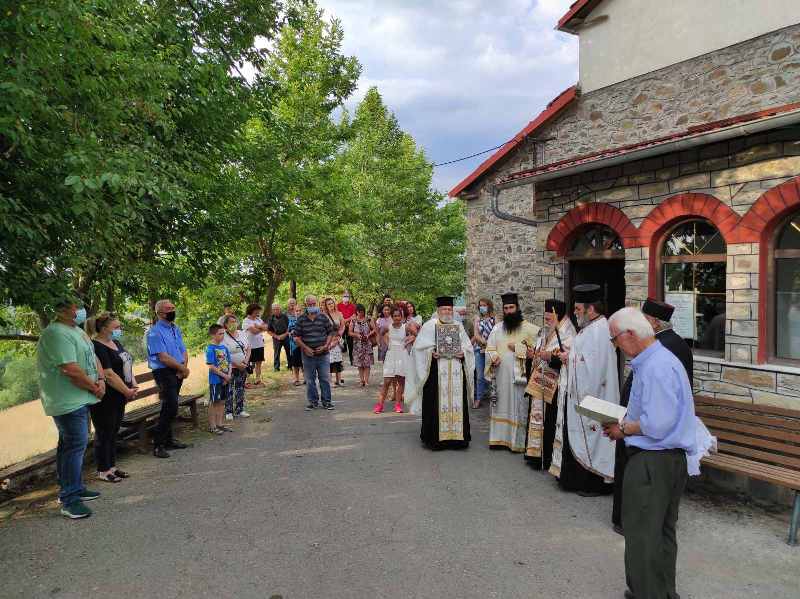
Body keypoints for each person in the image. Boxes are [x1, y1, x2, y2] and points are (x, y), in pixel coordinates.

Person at [603, 307, 697, 599]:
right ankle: (663, 591)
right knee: (661, 534)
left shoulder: (656, 366)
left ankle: (648, 593)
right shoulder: (658, 360)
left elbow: (656, 425)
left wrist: (623, 429)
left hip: (652, 462)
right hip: (667, 460)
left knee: (643, 535)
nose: (615, 345)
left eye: (614, 339)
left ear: (630, 334)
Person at [612, 298, 694, 534]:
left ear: (655, 323)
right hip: (645, 432)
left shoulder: (663, 351)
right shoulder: (665, 345)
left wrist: (626, 428)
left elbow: (658, 421)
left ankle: (628, 521)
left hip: (653, 445)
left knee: (648, 525)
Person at [550, 284, 619, 495]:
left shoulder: (600, 330)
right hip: (587, 395)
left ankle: (594, 483)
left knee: (595, 438)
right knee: (586, 437)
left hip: (596, 396)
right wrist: (571, 356)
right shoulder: (591, 328)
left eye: (579, 309)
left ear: (591, 309)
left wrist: (568, 358)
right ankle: (578, 479)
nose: (575, 313)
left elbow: (593, 370)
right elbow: (586, 359)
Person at [36, 298, 103, 518]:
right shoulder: (56, 333)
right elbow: (70, 369)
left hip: (81, 397)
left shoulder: (77, 330)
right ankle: (69, 499)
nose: (81, 311)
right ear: (62, 310)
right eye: (76, 307)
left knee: (70, 446)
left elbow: (91, 356)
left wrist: (100, 379)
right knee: (75, 445)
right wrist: (94, 388)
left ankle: (75, 487)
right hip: (66, 400)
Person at [406, 296, 474, 450]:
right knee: (434, 403)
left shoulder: (458, 326)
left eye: (449, 309)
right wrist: (431, 353)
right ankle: (434, 439)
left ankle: (458, 440)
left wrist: (463, 353)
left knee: (457, 403)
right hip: (435, 371)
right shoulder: (430, 326)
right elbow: (418, 349)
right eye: (444, 309)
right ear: (438, 310)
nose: (447, 312)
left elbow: (468, 347)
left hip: (456, 368)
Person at [85, 312, 138, 483]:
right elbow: (108, 373)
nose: (119, 330)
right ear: (104, 327)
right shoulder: (97, 346)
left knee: (114, 431)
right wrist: (126, 391)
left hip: (120, 395)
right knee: (104, 432)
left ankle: (112, 466)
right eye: (116, 327)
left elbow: (126, 364)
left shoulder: (115, 342)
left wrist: (133, 384)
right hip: (106, 397)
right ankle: (103, 469)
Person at [524, 299, 576, 470]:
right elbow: (540, 352)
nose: (546, 322)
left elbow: (567, 359)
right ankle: (535, 454)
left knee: (550, 420)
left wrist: (551, 357)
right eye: (545, 318)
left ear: (557, 316)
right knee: (537, 417)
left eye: (548, 319)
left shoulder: (568, 333)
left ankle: (546, 457)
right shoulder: (546, 332)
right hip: (540, 382)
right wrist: (533, 355)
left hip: (555, 386)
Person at [484, 293, 540, 452]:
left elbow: (537, 352)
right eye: (506, 308)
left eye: (511, 307)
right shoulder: (497, 328)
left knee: (517, 408)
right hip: (501, 376)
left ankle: (518, 442)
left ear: (517, 308)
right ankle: (499, 439)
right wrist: (493, 357)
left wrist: (519, 349)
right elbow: (489, 348)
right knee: (501, 406)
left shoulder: (530, 329)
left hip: (519, 379)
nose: (508, 311)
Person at [147, 298, 190, 459]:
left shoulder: (175, 328)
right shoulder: (154, 332)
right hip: (164, 372)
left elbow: (183, 349)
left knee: (172, 406)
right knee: (170, 406)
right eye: (168, 308)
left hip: (178, 370)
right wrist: (182, 368)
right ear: (159, 313)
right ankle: (158, 445)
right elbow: (163, 358)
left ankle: (169, 440)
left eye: (173, 307)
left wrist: (183, 367)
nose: (172, 310)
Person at [294, 295, 336, 411]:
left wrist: (325, 346)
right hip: (308, 355)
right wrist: (306, 348)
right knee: (310, 379)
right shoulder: (301, 319)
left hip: (323, 354)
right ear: (306, 305)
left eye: (314, 304)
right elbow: (296, 337)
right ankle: (313, 402)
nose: (312, 306)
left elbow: (331, 332)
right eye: (310, 304)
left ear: (317, 304)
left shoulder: (323, 317)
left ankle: (327, 402)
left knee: (324, 378)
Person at [375, 306, 416, 413]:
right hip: (391, 355)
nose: (397, 318)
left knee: (400, 381)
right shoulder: (387, 327)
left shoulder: (406, 327)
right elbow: (380, 334)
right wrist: (383, 343)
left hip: (402, 355)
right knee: (387, 381)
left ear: (401, 316)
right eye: (394, 316)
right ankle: (380, 405)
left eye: (398, 316)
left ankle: (397, 405)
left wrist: (407, 342)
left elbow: (416, 335)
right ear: (392, 317)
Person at [221, 315, 251, 420]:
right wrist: (237, 364)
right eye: (231, 322)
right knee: (228, 389)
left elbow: (248, 348)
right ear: (225, 324)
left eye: (235, 321)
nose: (233, 324)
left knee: (240, 388)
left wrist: (245, 362)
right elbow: (223, 353)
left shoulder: (242, 333)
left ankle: (240, 409)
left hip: (243, 366)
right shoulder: (223, 336)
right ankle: (228, 411)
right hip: (229, 368)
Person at [206, 324, 233, 435]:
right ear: (213, 335)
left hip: (226, 379)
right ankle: (212, 426)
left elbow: (229, 363)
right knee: (214, 402)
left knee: (222, 401)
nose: (222, 336)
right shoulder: (210, 348)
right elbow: (211, 366)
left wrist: (229, 375)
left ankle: (220, 424)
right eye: (220, 333)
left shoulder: (224, 348)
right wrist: (224, 375)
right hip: (216, 380)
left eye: (223, 333)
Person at [471, 298, 495, 409]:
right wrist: (484, 343)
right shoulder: (477, 318)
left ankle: (493, 397)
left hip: (491, 350)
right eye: (480, 305)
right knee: (480, 375)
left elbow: (497, 333)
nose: (482, 307)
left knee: (492, 374)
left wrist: (489, 345)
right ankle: (478, 398)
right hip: (478, 349)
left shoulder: (495, 318)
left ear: (489, 306)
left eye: (484, 305)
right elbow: (476, 334)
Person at [349, 303, 376, 387]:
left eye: (362, 311)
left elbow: (374, 329)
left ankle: (367, 380)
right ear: (356, 312)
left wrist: (368, 335)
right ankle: (361, 380)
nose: (361, 313)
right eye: (359, 312)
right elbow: (349, 332)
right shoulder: (353, 320)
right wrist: (357, 335)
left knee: (367, 363)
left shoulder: (368, 319)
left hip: (367, 344)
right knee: (359, 364)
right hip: (357, 345)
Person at [243, 304, 268, 387]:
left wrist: (259, 326)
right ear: (251, 311)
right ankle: (247, 380)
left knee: (258, 363)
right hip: (249, 346)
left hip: (259, 344)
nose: (258, 312)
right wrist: (261, 328)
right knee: (247, 363)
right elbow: (254, 331)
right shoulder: (246, 321)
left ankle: (258, 379)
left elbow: (267, 327)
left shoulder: (258, 319)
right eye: (256, 310)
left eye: (258, 310)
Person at [322, 297, 346, 386]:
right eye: (328, 304)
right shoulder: (324, 315)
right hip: (328, 341)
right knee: (329, 361)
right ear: (326, 306)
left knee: (338, 360)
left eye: (332, 303)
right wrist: (330, 340)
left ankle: (339, 380)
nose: (331, 305)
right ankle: (330, 381)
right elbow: (323, 329)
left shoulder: (339, 314)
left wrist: (339, 336)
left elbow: (343, 326)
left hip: (337, 340)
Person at [267, 303, 291, 372]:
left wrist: (285, 334)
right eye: (274, 309)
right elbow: (269, 331)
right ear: (272, 310)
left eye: (277, 309)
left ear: (280, 309)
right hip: (276, 337)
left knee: (289, 351)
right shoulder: (271, 318)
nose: (276, 310)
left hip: (286, 336)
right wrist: (277, 336)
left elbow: (289, 327)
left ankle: (290, 365)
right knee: (276, 353)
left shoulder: (285, 316)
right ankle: (276, 367)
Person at [337, 291, 357, 365]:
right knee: (340, 343)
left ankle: (352, 359)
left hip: (349, 326)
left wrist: (348, 321)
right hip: (341, 327)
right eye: (344, 296)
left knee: (350, 343)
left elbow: (354, 316)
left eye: (347, 296)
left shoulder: (352, 306)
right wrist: (347, 320)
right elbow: (338, 318)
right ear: (342, 297)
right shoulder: (338, 306)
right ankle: (339, 360)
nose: (346, 297)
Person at [286, 301, 304, 386]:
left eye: (300, 310)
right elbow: (289, 332)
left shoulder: (306, 320)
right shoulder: (291, 320)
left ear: (302, 311)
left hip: (305, 345)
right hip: (294, 345)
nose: (298, 312)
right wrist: (293, 332)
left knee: (304, 362)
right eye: (297, 311)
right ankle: (296, 379)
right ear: (294, 312)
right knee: (295, 363)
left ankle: (306, 378)